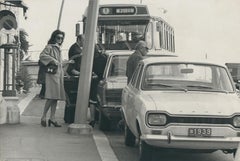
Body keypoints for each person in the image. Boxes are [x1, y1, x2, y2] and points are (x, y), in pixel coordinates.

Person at [39, 29, 66, 127]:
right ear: (54, 37)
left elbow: (59, 63)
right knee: (51, 97)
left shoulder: (58, 48)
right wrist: (53, 60)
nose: (60, 39)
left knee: (55, 97)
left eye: (61, 38)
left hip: (58, 74)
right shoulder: (50, 47)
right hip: (52, 75)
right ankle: (44, 116)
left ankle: (52, 118)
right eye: (58, 37)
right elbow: (42, 56)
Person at [89, 44, 107, 127]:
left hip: (94, 80)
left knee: (92, 100)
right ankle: (97, 118)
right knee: (100, 101)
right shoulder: (104, 58)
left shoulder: (90, 59)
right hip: (102, 80)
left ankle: (92, 119)